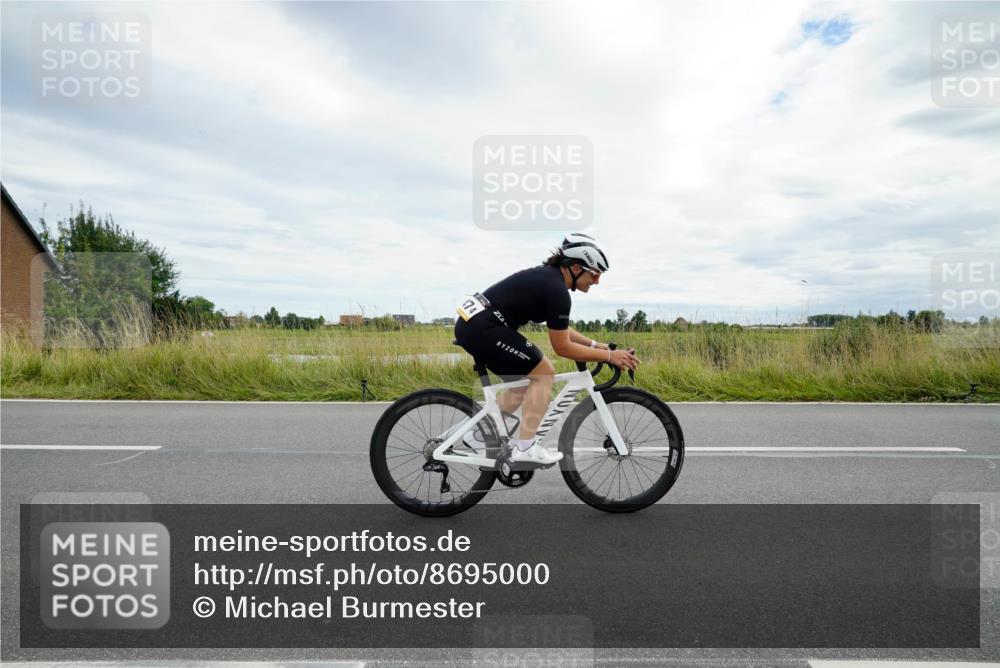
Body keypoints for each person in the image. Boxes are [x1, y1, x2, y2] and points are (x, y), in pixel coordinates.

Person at [454, 233, 640, 466]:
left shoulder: (549, 280)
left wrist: (596, 345)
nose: (597, 281)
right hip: (483, 328)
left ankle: (478, 434)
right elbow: (562, 347)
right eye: (594, 274)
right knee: (543, 373)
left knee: (523, 383)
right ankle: (525, 448)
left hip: (475, 325)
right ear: (574, 267)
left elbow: (561, 328)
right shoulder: (556, 290)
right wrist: (611, 356)